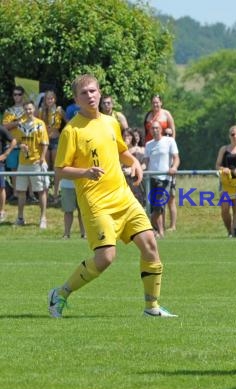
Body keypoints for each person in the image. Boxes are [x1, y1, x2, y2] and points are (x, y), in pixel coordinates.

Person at [48, 74, 177, 318]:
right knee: (106, 257)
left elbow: (121, 151)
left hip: (123, 197)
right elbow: (59, 170)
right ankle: (60, 293)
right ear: (76, 98)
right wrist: (85, 171)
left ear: (99, 92)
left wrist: (135, 164)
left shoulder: (111, 122)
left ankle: (152, 308)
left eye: (93, 91)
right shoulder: (71, 131)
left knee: (150, 245)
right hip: (96, 203)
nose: (90, 96)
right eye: (84, 93)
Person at [12, 100, 49, 228]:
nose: (28, 111)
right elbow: (17, 141)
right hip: (23, 162)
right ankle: (20, 218)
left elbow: (45, 143)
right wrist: (20, 145)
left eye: (30, 109)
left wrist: (42, 158)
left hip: (36, 162)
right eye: (26, 109)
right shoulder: (21, 125)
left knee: (41, 191)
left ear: (34, 109)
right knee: (21, 190)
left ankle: (43, 218)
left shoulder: (40, 124)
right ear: (24, 110)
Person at [143, 94, 177, 231]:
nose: (155, 105)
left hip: (165, 159)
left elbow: (173, 131)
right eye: (153, 102)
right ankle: (159, 229)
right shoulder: (148, 116)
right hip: (153, 156)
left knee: (170, 197)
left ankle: (172, 225)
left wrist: (172, 161)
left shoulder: (166, 114)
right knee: (156, 202)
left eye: (157, 102)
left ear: (161, 103)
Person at [37, 90, 65, 201]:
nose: (50, 100)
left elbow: (69, 122)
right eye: (48, 98)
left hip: (55, 140)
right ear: (45, 100)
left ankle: (56, 193)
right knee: (46, 167)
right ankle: (46, 192)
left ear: (55, 99)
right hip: (44, 141)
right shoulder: (41, 111)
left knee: (56, 167)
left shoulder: (59, 110)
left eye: (52, 98)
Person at [0, 125, 17, 222]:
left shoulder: (1, 129)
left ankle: (1, 211)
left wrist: (6, 154)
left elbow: (14, 141)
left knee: (1, 187)